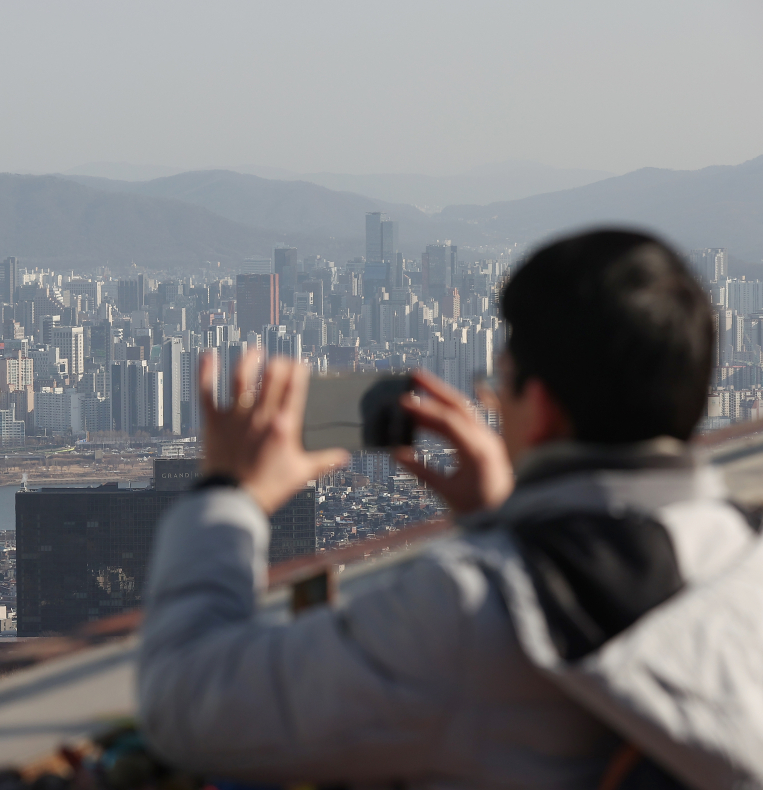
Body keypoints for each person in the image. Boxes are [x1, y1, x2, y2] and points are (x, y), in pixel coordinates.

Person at [137, 230, 763, 789]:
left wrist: (228, 495)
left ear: (539, 407)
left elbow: (187, 702)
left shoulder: (467, 608)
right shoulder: (744, 555)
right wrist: (510, 517)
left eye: (502, 374)